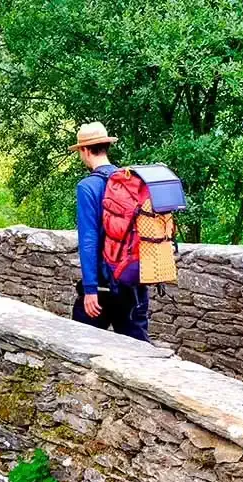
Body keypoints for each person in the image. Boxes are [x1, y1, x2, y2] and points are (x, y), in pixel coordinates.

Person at [70, 122, 150, 342]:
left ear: (85, 150)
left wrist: (90, 289)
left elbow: (88, 240)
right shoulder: (130, 181)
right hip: (133, 281)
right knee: (140, 352)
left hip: (103, 286)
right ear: (106, 146)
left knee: (79, 346)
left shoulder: (88, 187)